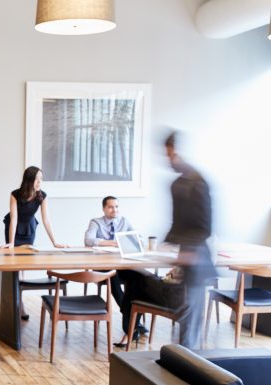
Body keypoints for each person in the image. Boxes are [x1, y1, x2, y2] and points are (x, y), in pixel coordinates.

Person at [117, 131, 215, 349]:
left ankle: (188, 366)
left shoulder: (198, 183)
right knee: (135, 278)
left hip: (196, 267)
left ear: (179, 152)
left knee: (189, 329)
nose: (169, 161)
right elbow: (177, 224)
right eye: (167, 155)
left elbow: (205, 227)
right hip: (181, 265)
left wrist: (189, 253)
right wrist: (165, 245)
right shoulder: (176, 185)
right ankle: (135, 333)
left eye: (171, 155)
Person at [2, 166, 67, 320]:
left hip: (29, 229)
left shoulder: (42, 196)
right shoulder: (15, 194)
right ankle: (19, 304)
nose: (40, 182)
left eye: (41, 179)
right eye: (37, 179)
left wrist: (55, 242)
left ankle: (19, 301)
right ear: (29, 180)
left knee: (23, 265)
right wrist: (11, 243)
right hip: (14, 229)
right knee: (15, 267)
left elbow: (46, 219)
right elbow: (14, 218)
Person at [83, 196, 146, 336]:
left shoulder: (124, 221)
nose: (114, 210)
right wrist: (113, 242)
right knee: (113, 277)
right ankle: (130, 317)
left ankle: (131, 318)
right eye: (111, 207)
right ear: (104, 208)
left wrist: (131, 240)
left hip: (121, 264)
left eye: (116, 207)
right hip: (102, 265)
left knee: (139, 276)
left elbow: (137, 238)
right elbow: (88, 240)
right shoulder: (96, 222)